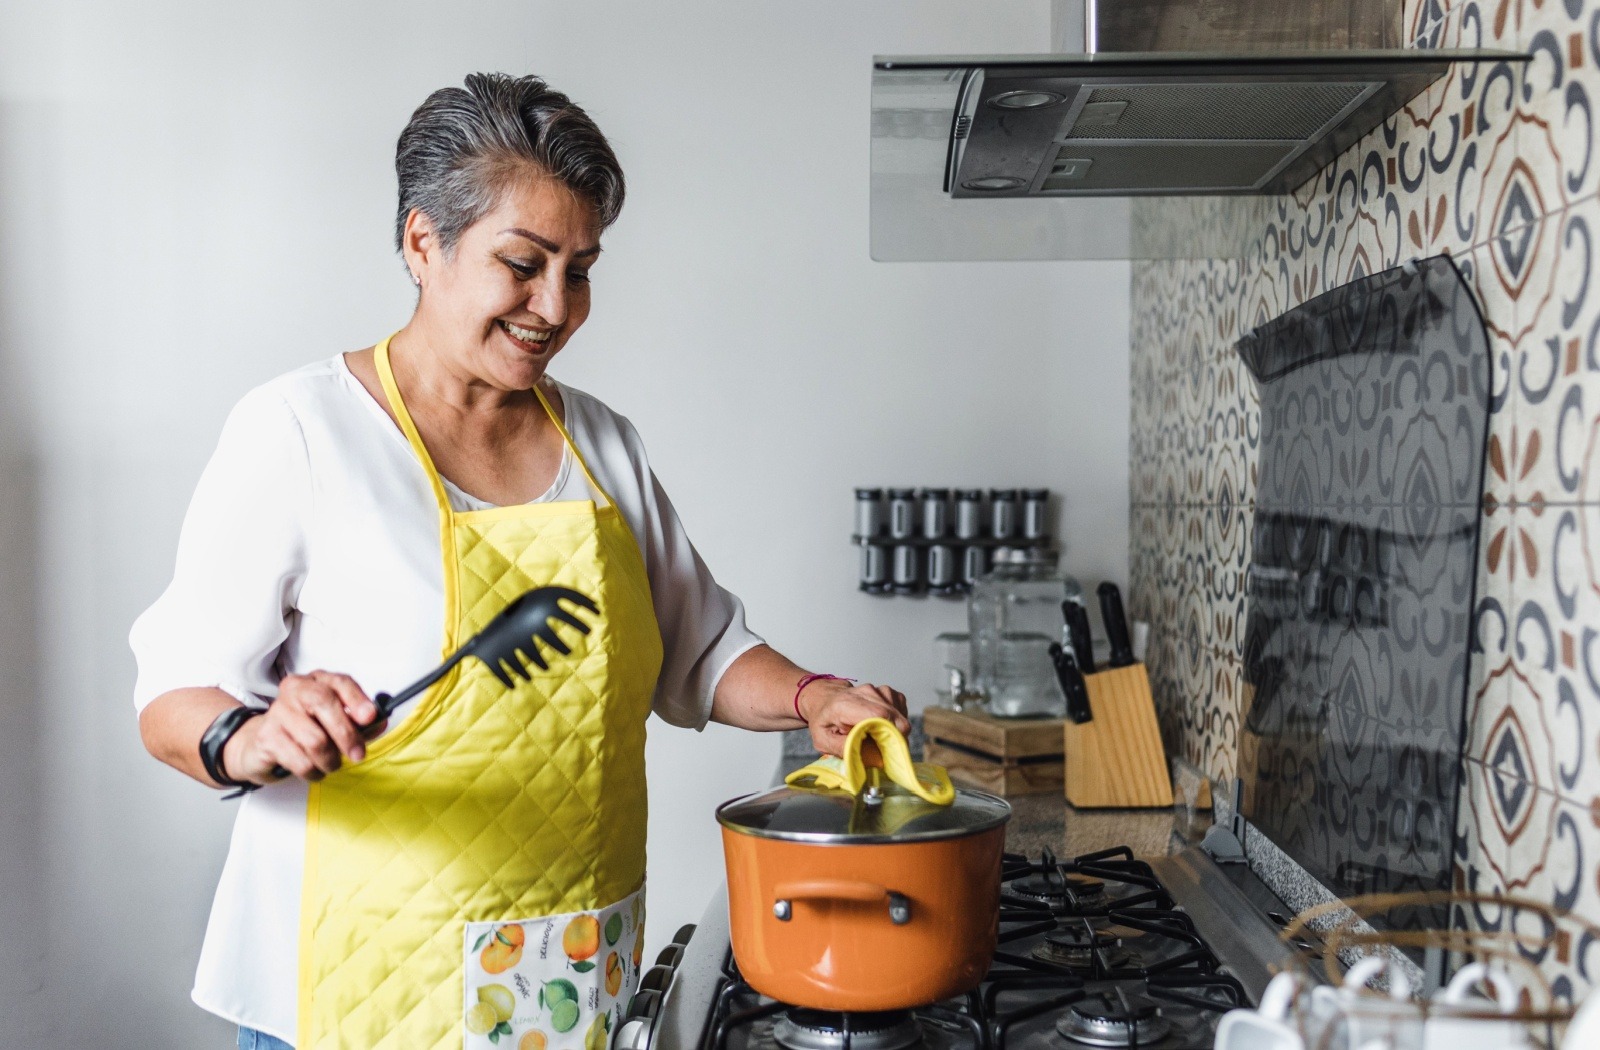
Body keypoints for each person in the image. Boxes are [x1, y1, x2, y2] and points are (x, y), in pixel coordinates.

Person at [131, 72, 910, 1050]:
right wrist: (252, 737)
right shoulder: (301, 431)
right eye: (522, 262)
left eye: (579, 268)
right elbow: (171, 701)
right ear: (424, 242)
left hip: (565, 978)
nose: (555, 305)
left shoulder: (601, 445)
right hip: (355, 986)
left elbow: (701, 650)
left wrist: (813, 698)